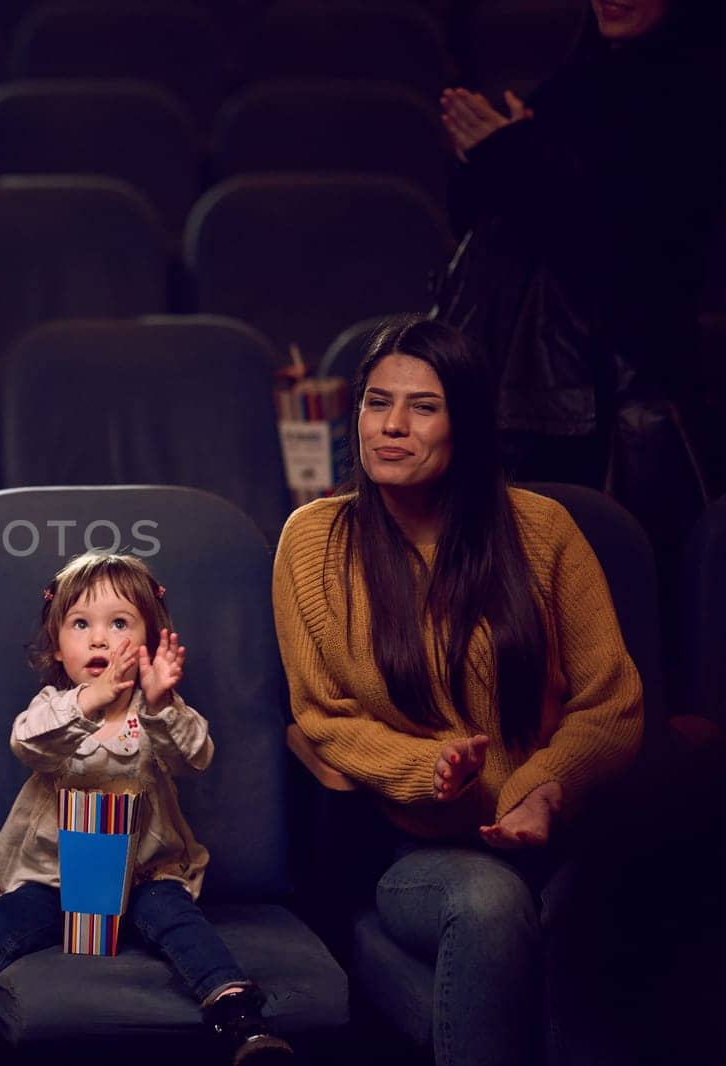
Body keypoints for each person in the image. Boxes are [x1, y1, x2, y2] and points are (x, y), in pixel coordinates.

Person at [272, 315, 644, 1066]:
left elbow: (611, 702)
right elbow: (322, 718)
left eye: (424, 407)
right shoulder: (315, 540)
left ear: (466, 426)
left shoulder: (544, 531)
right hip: (423, 850)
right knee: (492, 902)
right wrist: (430, 769)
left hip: (562, 832)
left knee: (612, 909)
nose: (393, 428)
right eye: (377, 404)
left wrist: (542, 788)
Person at [0, 551, 293, 1065]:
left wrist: (162, 705)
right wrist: (91, 699)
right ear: (58, 647)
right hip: (52, 880)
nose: (99, 639)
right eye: (81, 624)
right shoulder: (54, 709)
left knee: (180, 921)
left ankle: (240, 1018)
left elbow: (195, 757)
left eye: (119, 623)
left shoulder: (156, 713)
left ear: (147, 641)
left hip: (142, 877)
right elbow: (28, 745)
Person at [435, 0, 725, 558]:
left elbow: (634, 264)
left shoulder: (701, 87)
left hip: (622, 407)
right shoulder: (579, 77)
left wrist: (517, 157)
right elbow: (478, 222)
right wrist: (486, 155)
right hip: (527, 400)